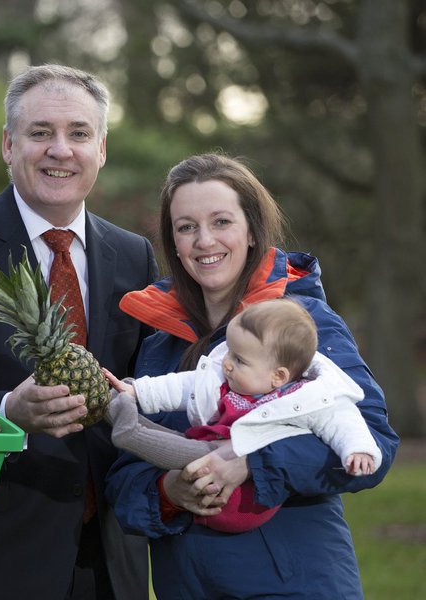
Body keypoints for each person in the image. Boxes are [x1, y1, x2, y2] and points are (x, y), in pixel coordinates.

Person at [0, 64, 158, 600]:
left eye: (79, 133)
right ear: (8, 146)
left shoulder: (135, 255)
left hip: (112, 559)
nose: (60, 149)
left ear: (101, 149)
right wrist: (7, 410)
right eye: (41, 133)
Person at [105, 152, 399, 599]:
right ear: (173, 242)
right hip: (186, 585)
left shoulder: (302, 322)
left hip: (291, 582)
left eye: (221, 221)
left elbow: (373, 441)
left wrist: (251, 463)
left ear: (251, 230)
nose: (204, 241)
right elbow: (125, 473)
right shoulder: (158, 342)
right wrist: (169, 490)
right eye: (186, 227)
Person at [104, 297, 381, 533]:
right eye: (230, 352)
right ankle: (123, 412)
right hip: (208, 464)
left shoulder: (306, 398)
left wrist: (358, 450)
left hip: (242, 501)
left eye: (239, 360)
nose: (227, 363)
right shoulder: (225, 380)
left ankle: (131, 433)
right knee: (182, 441)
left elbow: (344, 420)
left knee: (197, 453)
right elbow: (180, 386)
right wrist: (136, 391)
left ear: (278, 376)